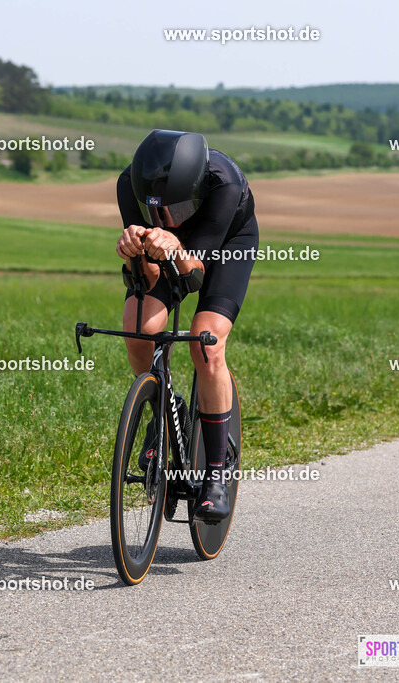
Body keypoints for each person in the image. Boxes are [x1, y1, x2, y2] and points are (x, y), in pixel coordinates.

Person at [115, 129, 259, 521]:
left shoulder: (224, 184)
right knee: (139, 328)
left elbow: (193, 274)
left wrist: (176, 245)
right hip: (169, 247)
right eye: (155, 211)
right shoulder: (129, 185)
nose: (165, 219)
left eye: (174, 210)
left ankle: (216, 472)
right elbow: (147, 281)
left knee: (205, 343)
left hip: (225, 243)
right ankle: (165, 408)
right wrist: (134, 252)